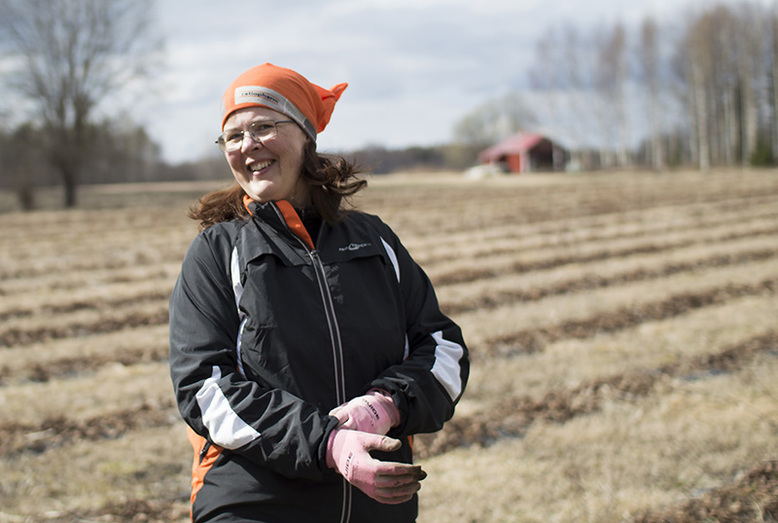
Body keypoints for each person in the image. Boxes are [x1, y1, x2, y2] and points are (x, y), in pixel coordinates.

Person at [168, 62, 469, 523]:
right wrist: (326, 442)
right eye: (233, 136)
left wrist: (385, 404)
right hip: (255, 503)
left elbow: (444, 351)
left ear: (306, 136)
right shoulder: (216, 251)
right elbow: (205, 388)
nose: (248, 145)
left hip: (378, 501)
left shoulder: (375, 241)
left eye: (264, 126)